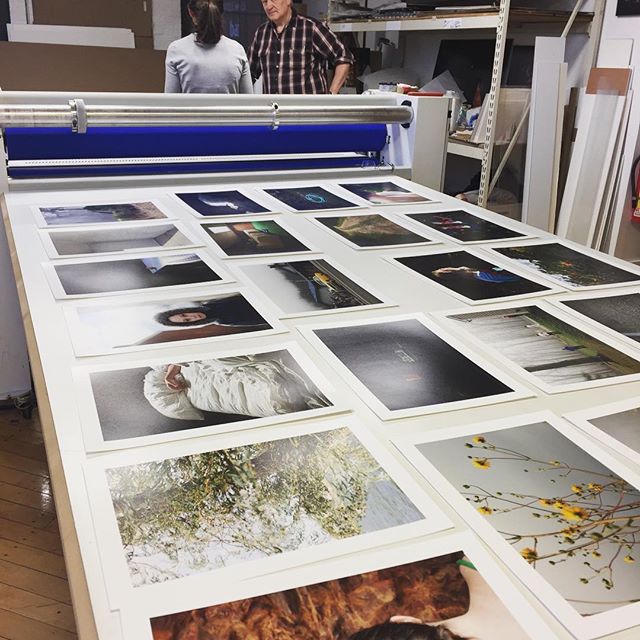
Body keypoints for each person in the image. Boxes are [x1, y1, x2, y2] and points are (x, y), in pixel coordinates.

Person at [249, 0, 353, 94]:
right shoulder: (261, 34)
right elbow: (249, 73)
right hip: (275, 112)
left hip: (308, 112)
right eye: (265, 2)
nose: (269, 6)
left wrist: (331, 95)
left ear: (288, 1)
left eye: (273, 0)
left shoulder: (311, 28)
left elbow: (343, 56)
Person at [164, 0, 253, 94]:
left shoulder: (176, 49)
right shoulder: (237, 50)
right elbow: (249, 103)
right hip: (229, 109)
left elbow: (170, 103)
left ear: (190, 12)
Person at [432, 265, 520, 284]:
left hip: (485, 275)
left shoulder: (478, 273)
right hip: (487, 275)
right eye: (444, 269)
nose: (447, 267)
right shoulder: (460, 272)